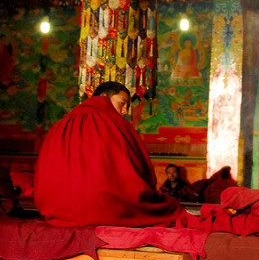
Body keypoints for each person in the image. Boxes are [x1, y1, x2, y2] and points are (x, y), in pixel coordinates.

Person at [34, 81, 183, 226]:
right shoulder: (111, 122)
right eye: (122, 104)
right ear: (103, 98)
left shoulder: (59, 125)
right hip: (102, 209)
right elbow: (138, 171)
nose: (125, 111)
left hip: (57, 209)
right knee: (171, 207)